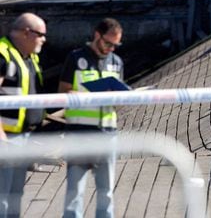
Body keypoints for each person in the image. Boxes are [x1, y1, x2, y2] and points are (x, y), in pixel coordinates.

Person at [59, 18, 123, 218]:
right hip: (79, 134)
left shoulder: (116, 62)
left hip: (107, 134)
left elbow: (119, 99)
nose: (111, 49)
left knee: (106, 193)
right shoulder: (76, 58)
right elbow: (63, 92)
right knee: (74, 193)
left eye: (115, 45)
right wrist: (86, 97)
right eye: (108, 43)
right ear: (97, 35)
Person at [0, 13, 47, 217]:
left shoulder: (28, 56)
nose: (44, 39)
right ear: (27, 33)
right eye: (41, 35)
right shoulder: (3, 54)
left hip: (22, 137)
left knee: (15, 195)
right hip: (6, 139)